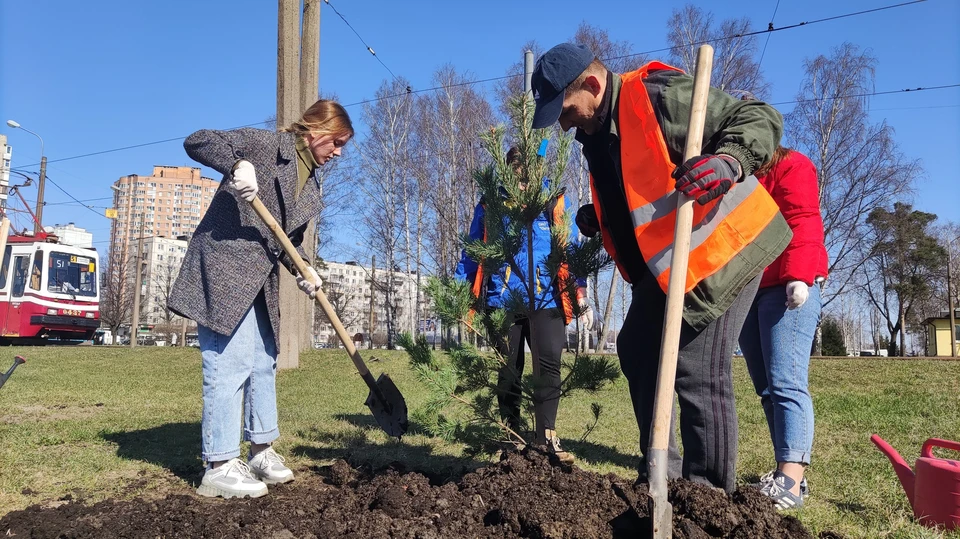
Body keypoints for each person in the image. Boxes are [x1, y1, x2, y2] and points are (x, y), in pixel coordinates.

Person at [531, 43, 792, 492]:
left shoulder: (654, 95)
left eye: (566, 108)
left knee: (697, 367)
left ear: (593, 85)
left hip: (724, 251)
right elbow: (644, 189)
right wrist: (602, 215)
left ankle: (707, 495)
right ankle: (663, 477)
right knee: (635, 347)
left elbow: (762, 118)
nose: (563, 121)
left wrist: (728, 161)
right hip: (669, 268)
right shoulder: (596, 132)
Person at [168, 99, 353, 498]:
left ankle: (260, 450)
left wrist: (305, 269)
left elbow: (289, 242)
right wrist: (238, 165)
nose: (337, 152)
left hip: (260, 279)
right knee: (229, 362)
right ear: (315, 130)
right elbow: (198, 140)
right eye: (336, 142)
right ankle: (217, 465)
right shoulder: (265, 145)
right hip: (224, 266)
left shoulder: (313, 184)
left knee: (262, 362)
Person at [455, 147, 591, 464]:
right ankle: (511, 440)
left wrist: (580, 291)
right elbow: (473, 249)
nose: (521, 183)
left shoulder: (554, 201)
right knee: (508, 371)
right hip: (502, 298)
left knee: (548, 367)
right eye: (515, 174)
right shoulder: (490, 204)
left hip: (547, 299)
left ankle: (547, 439)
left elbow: (568, 247)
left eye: (526, 174)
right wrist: (462, 292)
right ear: (508, 172)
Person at [738, 146, 827, 510]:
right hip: (747, 289)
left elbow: (802, 217)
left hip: (788, 288)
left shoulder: (792, 165)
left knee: (786, 381)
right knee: (766, 387)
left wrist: (798, 276)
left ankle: (790, 478)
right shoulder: (736, 175)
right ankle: (790, 477)